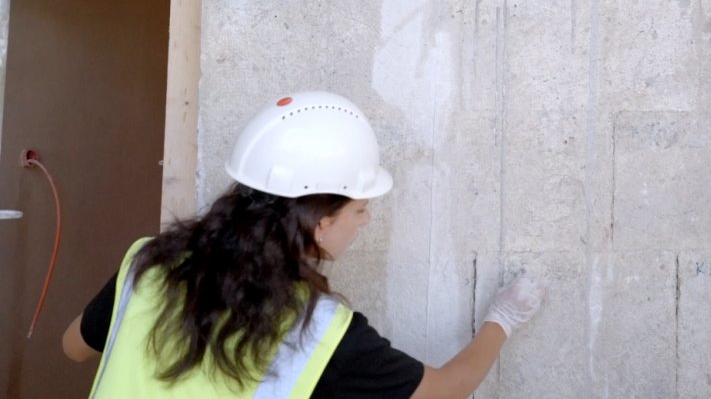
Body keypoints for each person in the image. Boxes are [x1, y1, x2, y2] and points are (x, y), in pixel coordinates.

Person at [61, 91, 545, 398]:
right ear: (320, 222)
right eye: (359, 210)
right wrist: (501, 322)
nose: (366, 220)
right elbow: (444, 392)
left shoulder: (150, 263)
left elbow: (73, 348)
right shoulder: (315, 331)